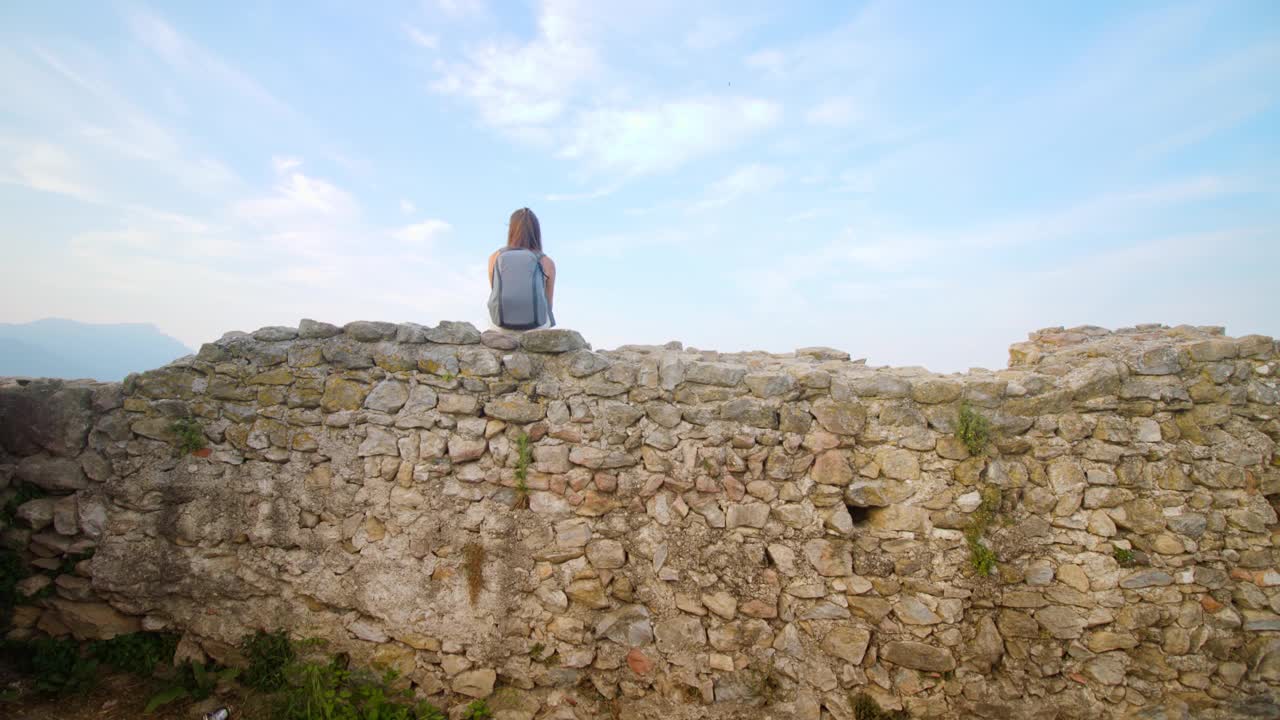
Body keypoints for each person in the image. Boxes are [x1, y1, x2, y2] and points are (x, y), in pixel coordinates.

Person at [488, 207, 556, 330]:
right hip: (536, 326)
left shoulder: (495, 257)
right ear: (536, 231)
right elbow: (548, 304)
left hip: (500, 325)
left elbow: (495, 292)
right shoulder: (547, 262)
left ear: (511, 229)